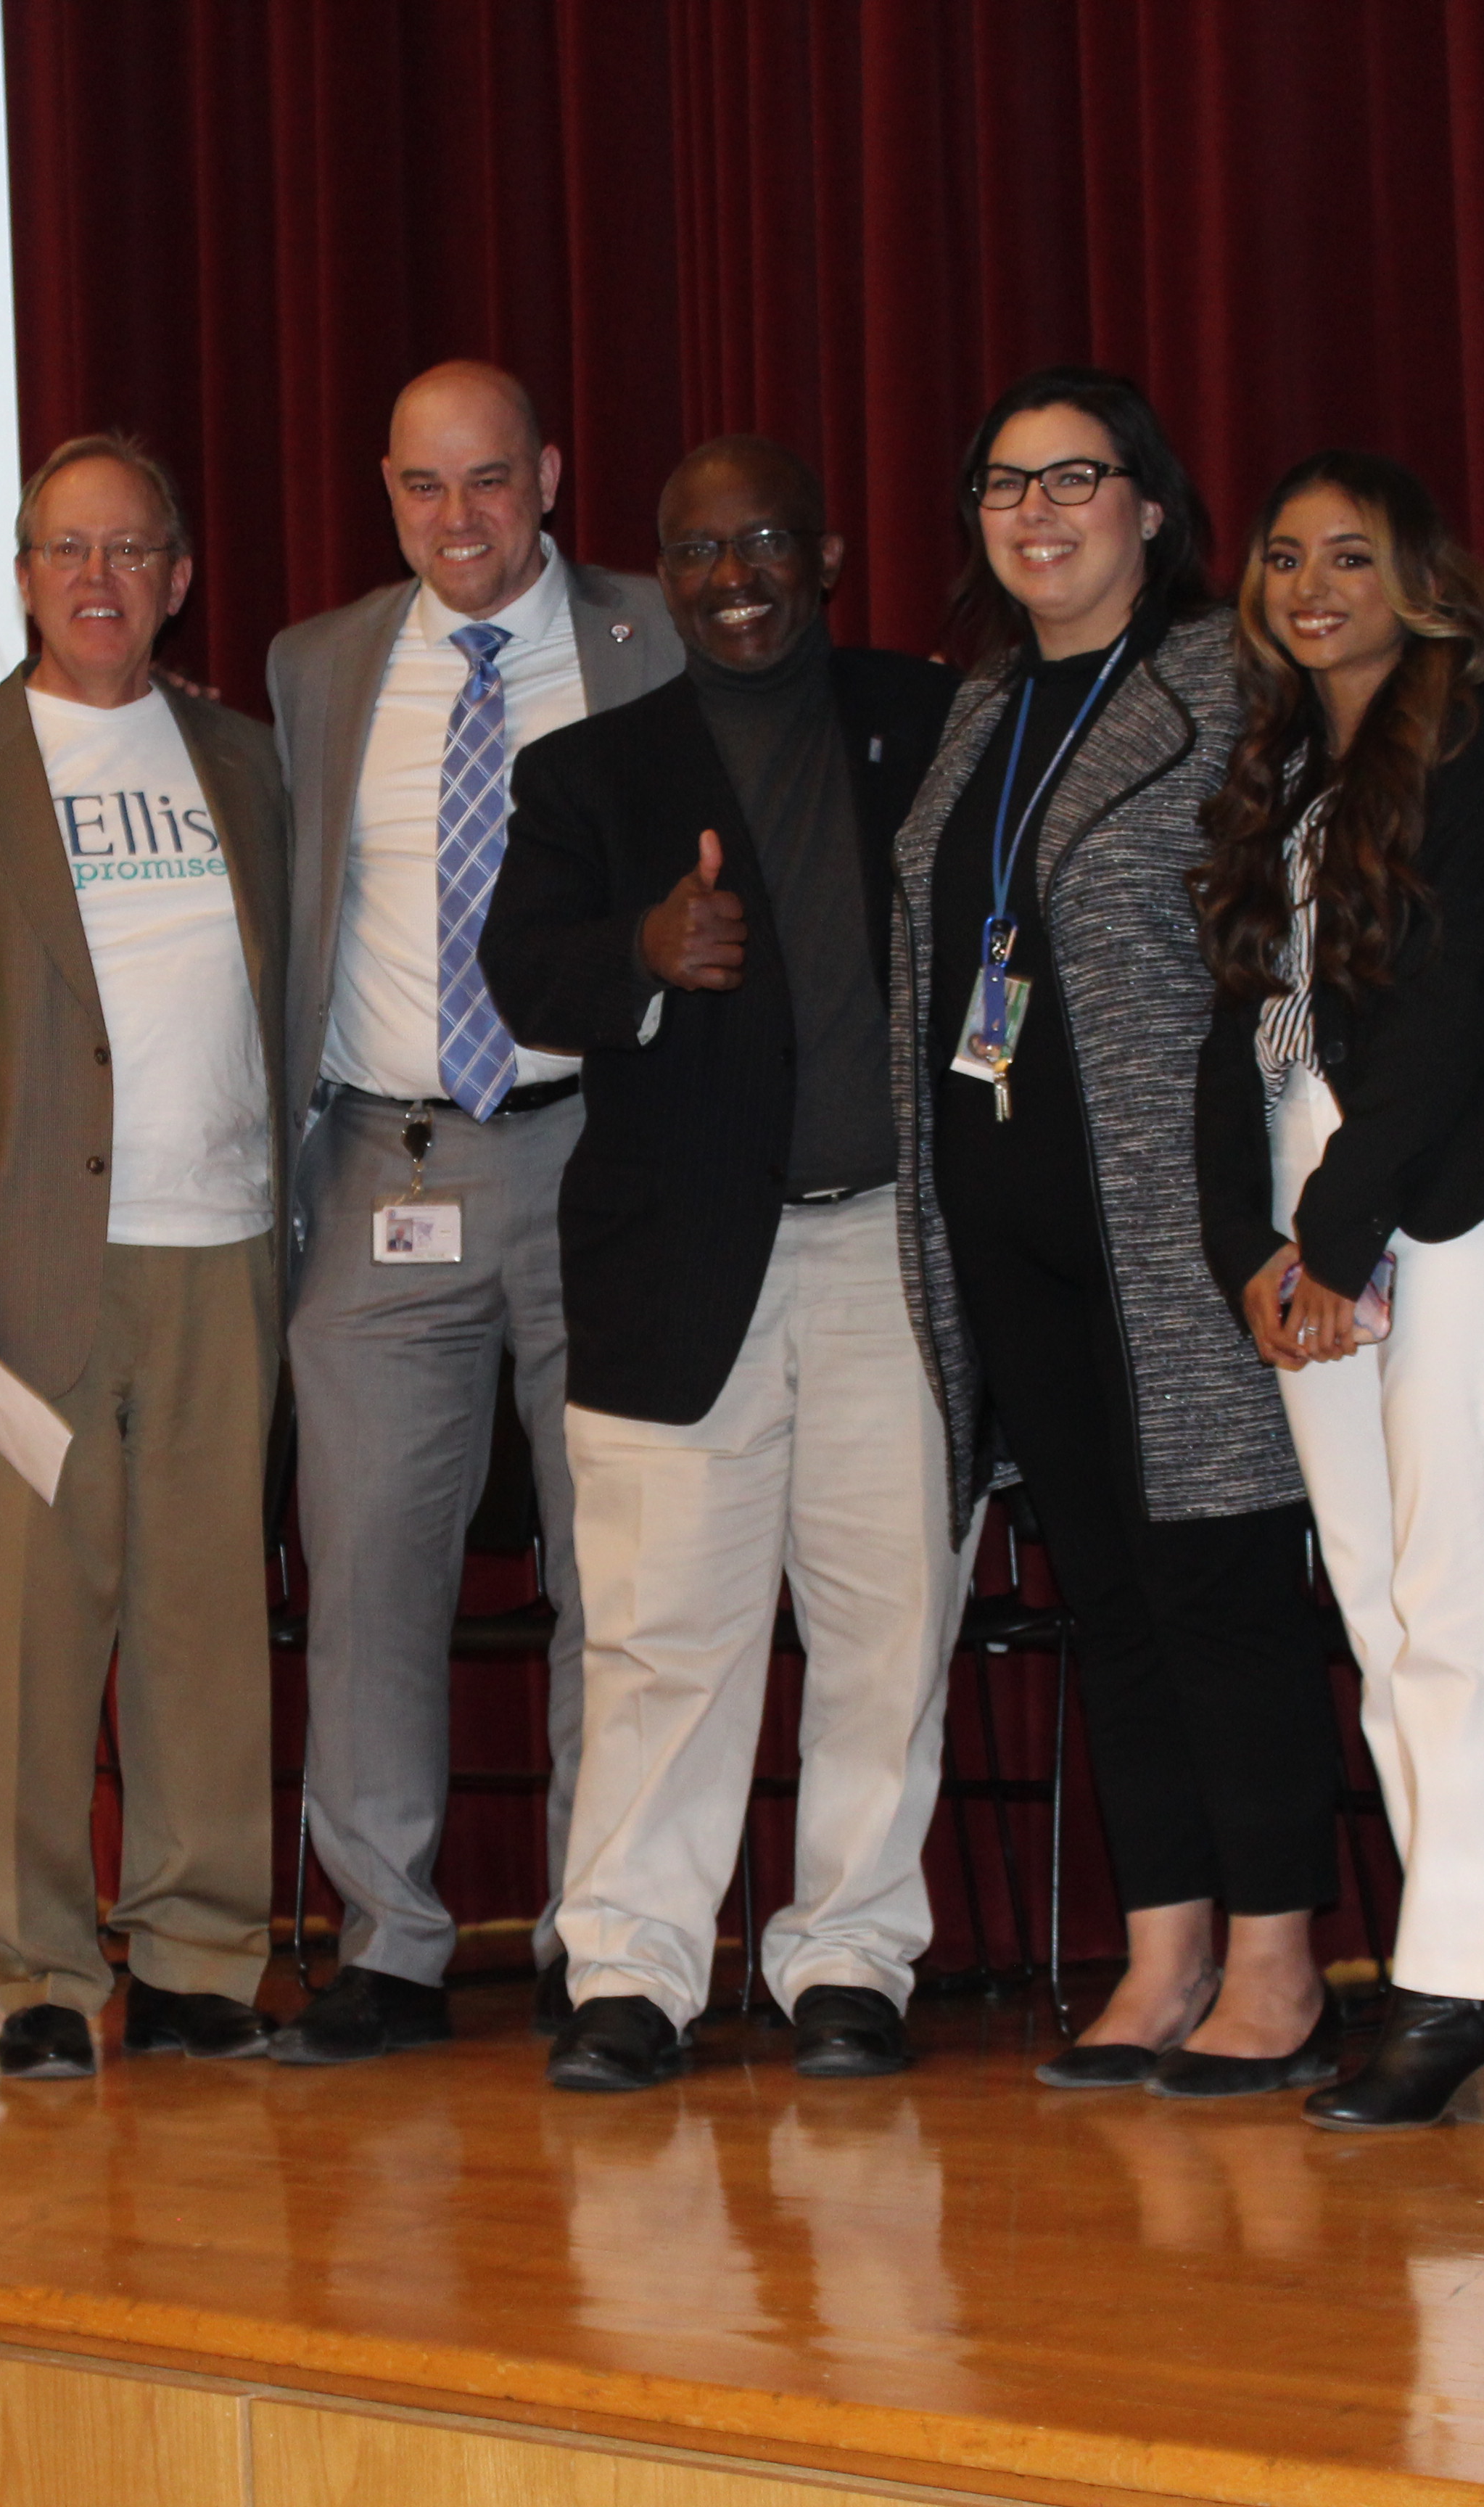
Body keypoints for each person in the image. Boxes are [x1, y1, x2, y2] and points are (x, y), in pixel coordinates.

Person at [479, 436, 964, 2091]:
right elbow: (525, 978)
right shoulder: (591, 774)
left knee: (887, 1627)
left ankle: (849, 1963)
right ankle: (631, 1972)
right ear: (658, 574)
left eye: (766, 539)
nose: (735, 575)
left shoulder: (934, 722)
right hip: (675, 1271)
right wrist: (641, 951)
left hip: (895, 1255)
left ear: (825, 555)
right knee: (661, 1639)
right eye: (698, 550)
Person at [889, 368, 1339, 2099]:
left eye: (1077, 478)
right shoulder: (980, 709)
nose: (1037, 512)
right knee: (1117, 1602)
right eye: (1004, 484)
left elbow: (1278, 953)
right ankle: (1164, 1953)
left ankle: (1283, 1964)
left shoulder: (1232, 679)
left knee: (1220, 1579)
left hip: (1177, 1218)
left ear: (1152, 507)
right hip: (1007, 1227)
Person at [0, 435, 293, 2081]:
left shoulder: (247, 764)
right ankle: (42, 1969)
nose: (99, 577)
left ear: (178, 580)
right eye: (65, 549)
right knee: (34, 1635)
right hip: (15, 1268)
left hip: (227, 1249)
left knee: (202, 1628)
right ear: (23, 575)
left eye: (131, 550)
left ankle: (195, 1954)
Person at [264, 363, 680, 2066]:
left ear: (554, 476)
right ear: (387, 493)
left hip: (611, 1150)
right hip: (388, 1164)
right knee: (365, 1569)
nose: (462, 522)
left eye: (492, 483)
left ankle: (610, 1943)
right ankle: (390, 1944)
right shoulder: (317, 667)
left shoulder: (658, 637)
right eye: (426, 490)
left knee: (622, 1572)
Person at [1186, 452, 1484, 2130]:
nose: (1311, 585)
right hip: (1307, 1207)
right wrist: (1256, 1249)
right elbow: (1236, 1036)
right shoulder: (1277, 765)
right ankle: (1478, 1959)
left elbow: (1452, 1014)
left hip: (1449, 1195)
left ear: (1423, 579)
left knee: (1448, 1582)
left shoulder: (1469, 746)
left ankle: (1470, 1980)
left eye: (1351, 555)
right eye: (1283, 558)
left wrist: (1341, 1237)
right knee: (1372, 1603)